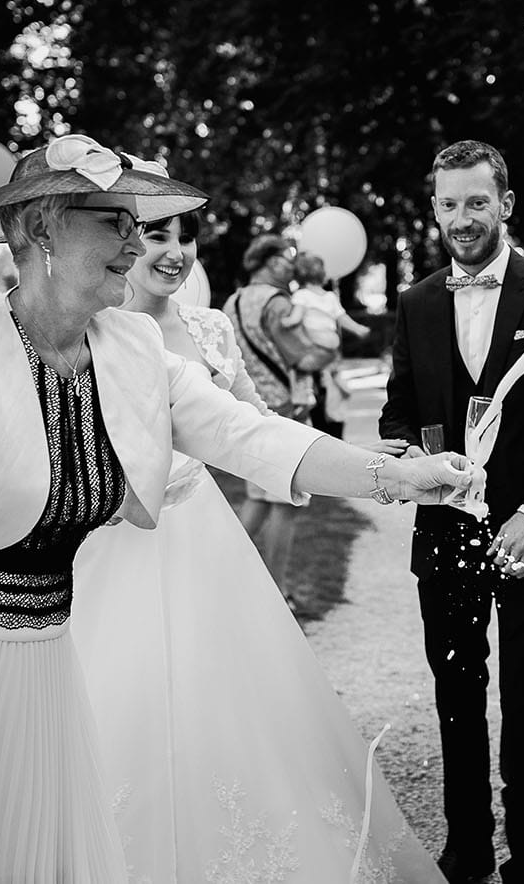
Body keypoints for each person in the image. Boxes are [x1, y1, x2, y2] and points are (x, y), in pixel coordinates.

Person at [0, 134, 478, 884]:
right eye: (115, 222)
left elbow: (252, 436)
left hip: (43, 662)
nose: (137, 244)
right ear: (41, 229)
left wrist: (395, 476)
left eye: (136, 224)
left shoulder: (134, 346)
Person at [71, 202, 440, 881]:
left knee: (227, 703)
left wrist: (371, 467)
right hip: (105, 548)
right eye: (155, 235)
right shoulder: (83, 329)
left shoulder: (208, 328)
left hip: (199, 538)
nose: (174, 251)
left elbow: (256, 425)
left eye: (184, 236)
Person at [378, 139, 524, 884]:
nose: (463, 218)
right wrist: (406, 454)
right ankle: (468, 844)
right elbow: (400, 408)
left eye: (477, 202)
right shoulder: (416, 301)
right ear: (435, 208)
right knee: (456, 693)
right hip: (446, 529)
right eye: (449, 204)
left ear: (505, 204)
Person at [224, 233, 309, 608]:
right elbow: (302, 356)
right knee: (284, 503)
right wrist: (328, 344)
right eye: (286, 260)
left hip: (245, 407)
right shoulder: (278, 302)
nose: (291, 267)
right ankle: (278, 591)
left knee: (258, 498)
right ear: (272, 262)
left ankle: (219, 572)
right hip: (283, 409)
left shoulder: (232, 301)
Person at [292, 249, 373, 439]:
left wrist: (286, 322)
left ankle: (323, 424)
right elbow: (342, 319)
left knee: (320, 394)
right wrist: (359, 329)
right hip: (328, 350)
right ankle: (333, 425)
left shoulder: (301, 296)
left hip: (313, 349)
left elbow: (296, 319)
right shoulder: (329, 297)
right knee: (330, 389)